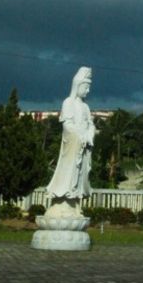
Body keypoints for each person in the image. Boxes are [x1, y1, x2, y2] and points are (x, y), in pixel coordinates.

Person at [43, 66, 95, 208]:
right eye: (86, 87)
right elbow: (67, 126)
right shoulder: (68, 102)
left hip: (83, 147)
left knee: (80, 175)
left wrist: (89, 135)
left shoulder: (86, 107)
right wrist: (80, 136)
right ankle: (63, 198)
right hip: (73, 146)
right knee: (69, 172)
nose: (88, 90)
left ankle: (75, 200)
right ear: (77, 86)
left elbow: (91, 125)